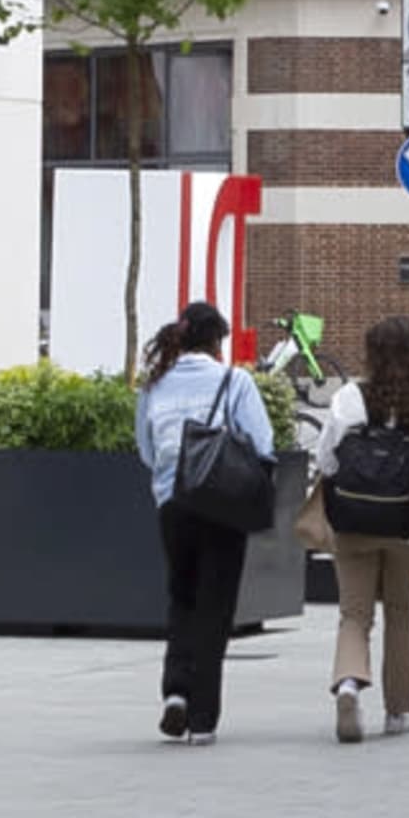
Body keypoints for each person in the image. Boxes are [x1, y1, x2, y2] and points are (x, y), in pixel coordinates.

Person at [308, 311, 409, 746]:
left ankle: (350, 683)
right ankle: (398, 712)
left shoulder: (351, 398)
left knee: (354, 613)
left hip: (353, 520)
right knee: (401, 614)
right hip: (408, 524)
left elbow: (328, 459)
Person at [134, 301, 275, 744]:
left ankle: (174, 691)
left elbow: (146, 449)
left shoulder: (154, 385)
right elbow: (262, 443)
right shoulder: (235, 380)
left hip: (171, 502)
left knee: (182, 597)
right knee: (215, 608)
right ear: (218, 341)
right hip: (221, 503)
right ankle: (201, 717)